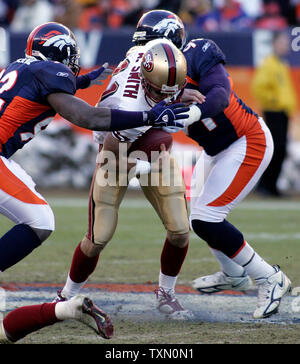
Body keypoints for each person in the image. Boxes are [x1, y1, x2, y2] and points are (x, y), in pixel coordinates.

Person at [0, 21, 189, 342]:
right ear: (58, 53)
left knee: (28, 192)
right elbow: (87, 117)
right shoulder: (50, 72)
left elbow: (49, 87)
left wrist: (85, 78)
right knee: (40, 220)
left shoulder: (20, 68)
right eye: (70, 58)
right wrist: (150, 116)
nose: (73, 66)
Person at [55, 11, 203, 320]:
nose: (167, 95)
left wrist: (178, 92)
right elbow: (114, 145)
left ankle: (166, 294)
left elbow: (167, 77)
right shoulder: (130, 106)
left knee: (179, 229)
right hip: (117, 150)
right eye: (161, 90)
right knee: (98, 237)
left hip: (151, 141)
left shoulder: (153, 56)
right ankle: (65, 295)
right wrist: (143, 161)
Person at [181, 36, 291, 319]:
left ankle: (269, 277)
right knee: (197, 216)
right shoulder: (148, 75)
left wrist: (191, 110)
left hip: (246, 139)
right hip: (215, 148)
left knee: (206, 218)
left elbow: (220, 95)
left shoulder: (197, 54)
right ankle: (233, 274)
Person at [252, 30, 297, 196]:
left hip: (282, 112)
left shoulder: (280, 65)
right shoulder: (269, 64)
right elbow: (259, 87)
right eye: (283, 42)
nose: (286, 46)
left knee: (281, 149)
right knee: (275, 148)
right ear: (275, 44)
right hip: (274, 112)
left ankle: (271, 186)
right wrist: (274, 102)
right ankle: (266, 186)